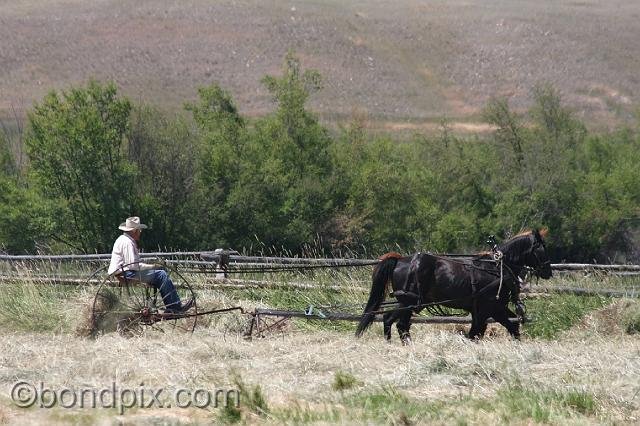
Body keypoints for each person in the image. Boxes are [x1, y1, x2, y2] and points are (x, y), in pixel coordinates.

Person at [107, 216, 193, 313]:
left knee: (161, 272)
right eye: (139, 230)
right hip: (127, 274)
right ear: (135, 231)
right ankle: (175, 307)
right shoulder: (127, 243)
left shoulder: (123, 239)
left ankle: (172, 304)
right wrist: (153, 266)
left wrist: (153, 267)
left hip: (125, 273)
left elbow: (133, 264)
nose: (140, 233)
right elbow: (134, 266)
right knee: (161, 274)